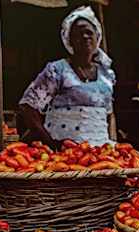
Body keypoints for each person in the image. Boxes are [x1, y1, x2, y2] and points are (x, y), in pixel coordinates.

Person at [19, 6, 116, 150]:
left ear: (98, 36)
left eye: (89, 32)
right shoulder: (57, 70)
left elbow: (106, 115)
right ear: (69, 40)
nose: (85, 37)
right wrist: (50, 142)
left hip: (99, 151)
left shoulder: (107, 75)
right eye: (78, 34)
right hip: (64, 153)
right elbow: (27, 107)